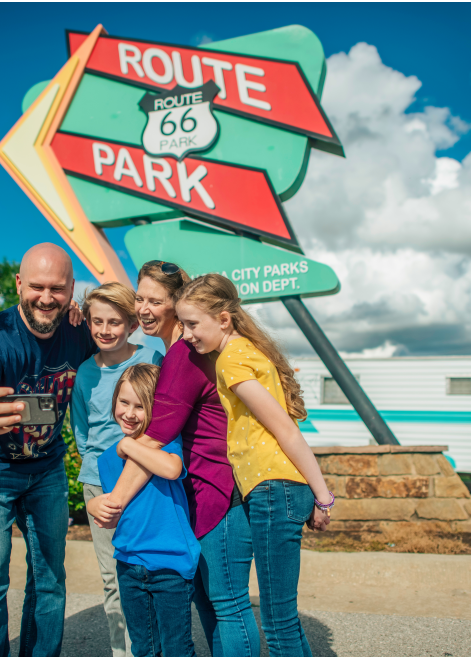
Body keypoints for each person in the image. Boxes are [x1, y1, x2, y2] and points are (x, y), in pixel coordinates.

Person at [87, 261, 260, 657]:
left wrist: (114, 495)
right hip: (198, 494)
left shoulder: (184, 353)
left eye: (155, 301)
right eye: (140, 298)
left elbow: (154, 439)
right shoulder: (173, 354)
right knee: (210, 604)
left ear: (177, 303)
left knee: (227, 605)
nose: (144, 309)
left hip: (218, 488)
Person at [0, 243, 94, 657]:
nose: (46, 298)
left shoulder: (79, 329)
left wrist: (92, 303)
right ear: (18, 285)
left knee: (50, 577)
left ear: (71, 290)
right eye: (37, 287)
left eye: (59, 289)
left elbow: (128, 317)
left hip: (47, 469)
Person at [176, 273, 332, 657]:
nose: (186, 334)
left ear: (224, 320)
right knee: (282, 617)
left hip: (272, 489)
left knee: (278, 623)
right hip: (279, 489)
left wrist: (324, 496)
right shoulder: (248, 350)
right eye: (182, 324)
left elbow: (286, 431)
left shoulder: (230, 360)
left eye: (193, 324)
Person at [71, 282, 163, 657]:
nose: (105, 330)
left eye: (114, 322)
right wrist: (98, 468)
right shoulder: (83, 373)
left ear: (131, 324)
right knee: (112, 576)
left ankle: (154, 645)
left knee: (152, 571)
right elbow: (81, 431)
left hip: (145, 480)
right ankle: (122, 651)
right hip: (99, 483)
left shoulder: (151, 361)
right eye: (97, 322)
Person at [97, 364, 200, 657]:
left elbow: (171, 468)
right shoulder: (107, 458)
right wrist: (94, 505)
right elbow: (111, 503)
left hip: (170, 566)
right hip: (129, 563)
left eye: (140, 406)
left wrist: (128, 444)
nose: (129, 413)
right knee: (143, 647)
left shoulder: (168, 444)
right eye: (124, 402)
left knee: (176, 648)